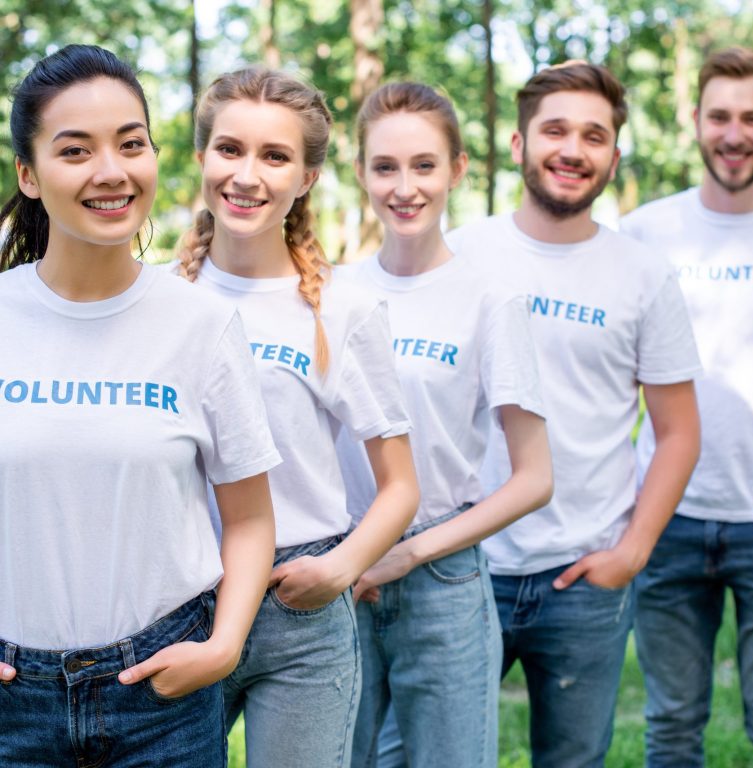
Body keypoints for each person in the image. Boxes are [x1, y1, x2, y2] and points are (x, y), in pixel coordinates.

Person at [0, 45, 279, 767]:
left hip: (164, 696)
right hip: (11, 703)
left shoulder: (202, 325)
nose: (111, 171)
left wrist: (222, 647)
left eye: (131, 144)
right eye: (75, 150)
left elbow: (249, 517)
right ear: (28, 175)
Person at [448, 61, 702, 767]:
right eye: (555, 129)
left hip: (583, 579)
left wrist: (633, 552)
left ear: (614, 158)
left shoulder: (643, 275)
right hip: (464, 569)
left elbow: (678, 430)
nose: (573, 149)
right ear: (519, 141)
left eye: (594, 136)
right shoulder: (462, 254)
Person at [176, 67, 419, 768]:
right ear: (200, 158)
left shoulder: (342, 311)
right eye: (229, 150)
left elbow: (400, 485)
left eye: (274, 156)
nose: (246, 175)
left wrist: (340, 568)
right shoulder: (162, 301)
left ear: (307, 177)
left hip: (299, 607)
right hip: (183, 594)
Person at [335, 81, 553, 768]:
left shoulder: (492, 300)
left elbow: (534, 480)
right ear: (362, 172)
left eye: (424, 165)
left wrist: (409, 553)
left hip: (442, 576)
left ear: (458, 169)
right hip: (337, 574)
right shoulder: (330, 293)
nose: (405, 187)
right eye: (386, 167)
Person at [621, 47, 753, 768]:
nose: (735, 134)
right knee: (673, 724)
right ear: (694, 121)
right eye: (720, 116)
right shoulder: (647, 232)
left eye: (752, 117)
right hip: (668, 517)